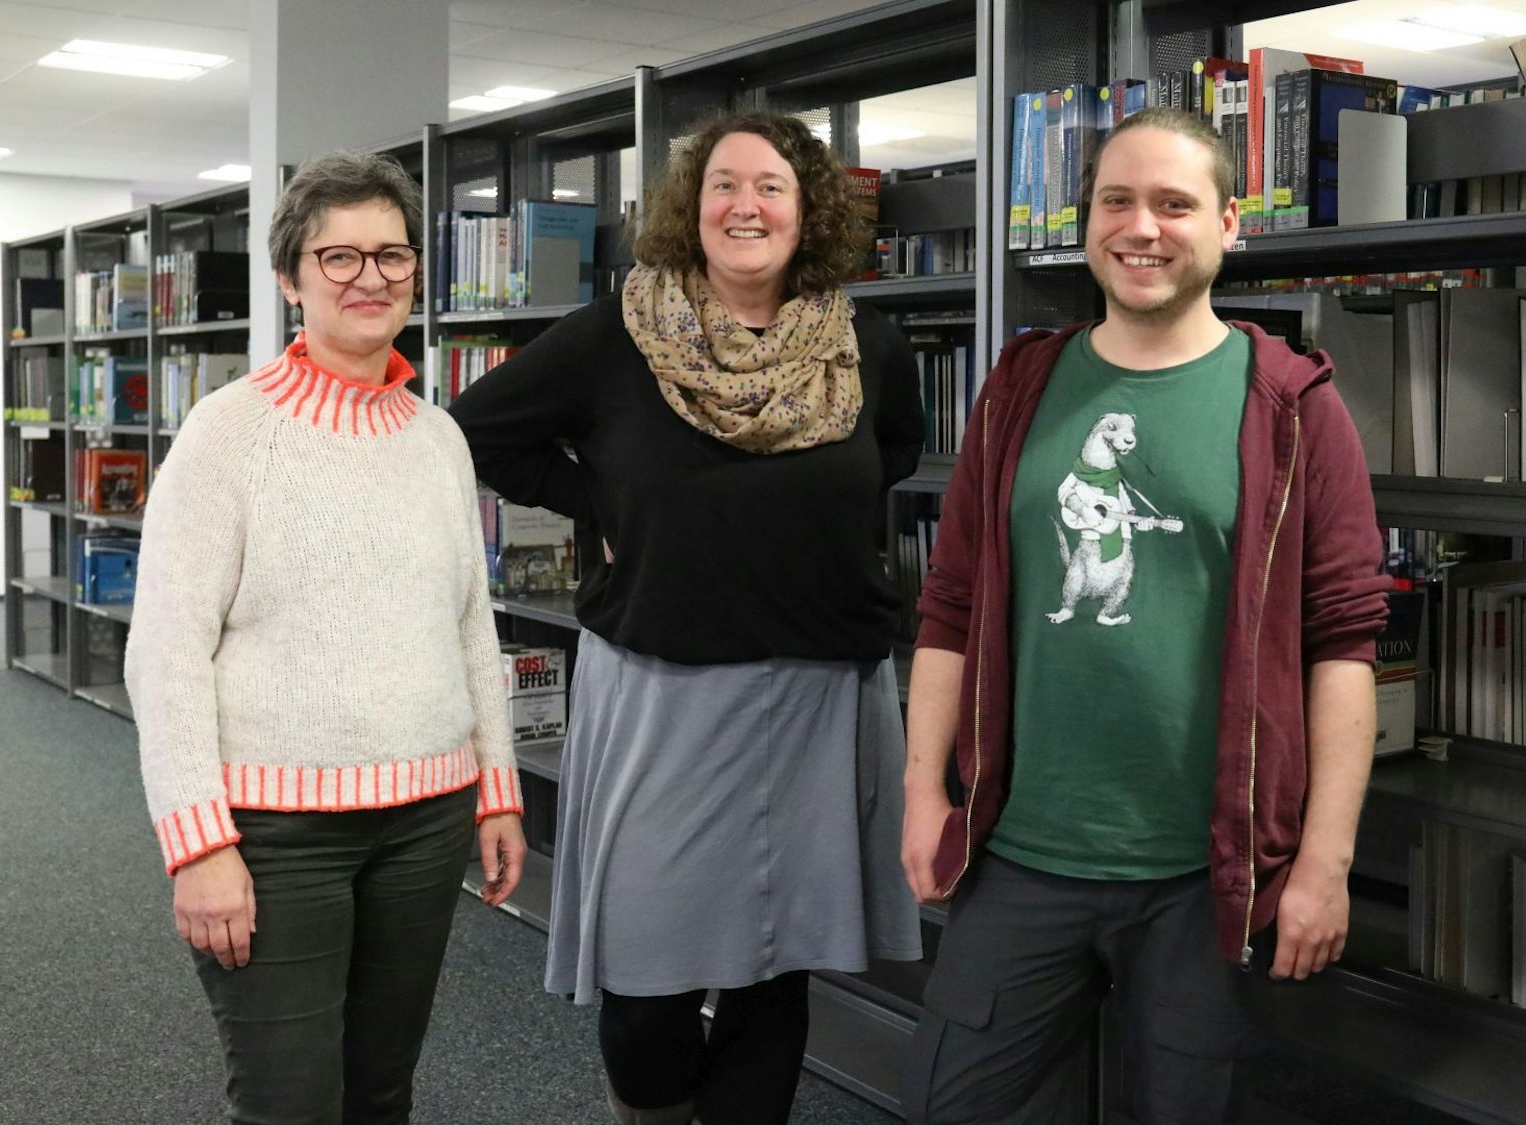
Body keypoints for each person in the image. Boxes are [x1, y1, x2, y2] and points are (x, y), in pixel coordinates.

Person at [899, 105, 1392, 1124]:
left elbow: (1341, 643)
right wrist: (919, 797)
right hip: (1017, 851)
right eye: (1116, 201)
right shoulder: (1018, 390)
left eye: (1174, 204)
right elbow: (948, 607)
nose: (1141, 228)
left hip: (1202, 875)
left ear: (1227, 223)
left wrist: (1323, 867)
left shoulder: (1293, 407)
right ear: (1085, 222)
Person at [448, 112, 926, 1125]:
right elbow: (474, 432)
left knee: (775, 969)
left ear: (807, 213)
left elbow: (888, 460)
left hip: (816, 692)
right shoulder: (614, 337)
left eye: (769, 187)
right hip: (663, 694)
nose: (743, 205)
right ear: (688, 207)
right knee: (647, 980)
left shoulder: (869, 345)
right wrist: (608, 506)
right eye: (722, 185)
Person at [125, 151, 527, 1125]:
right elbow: (165, 651)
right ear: (290, 277)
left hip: (427, 820)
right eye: (338, 257)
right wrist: (196, 846)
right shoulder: (226, 434)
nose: (370, 278)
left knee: (380, 1094)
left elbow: (471, 625)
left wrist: (498, 790)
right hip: (274, 835)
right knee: (288, 1104)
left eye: (391, 255)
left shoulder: (438, 437)